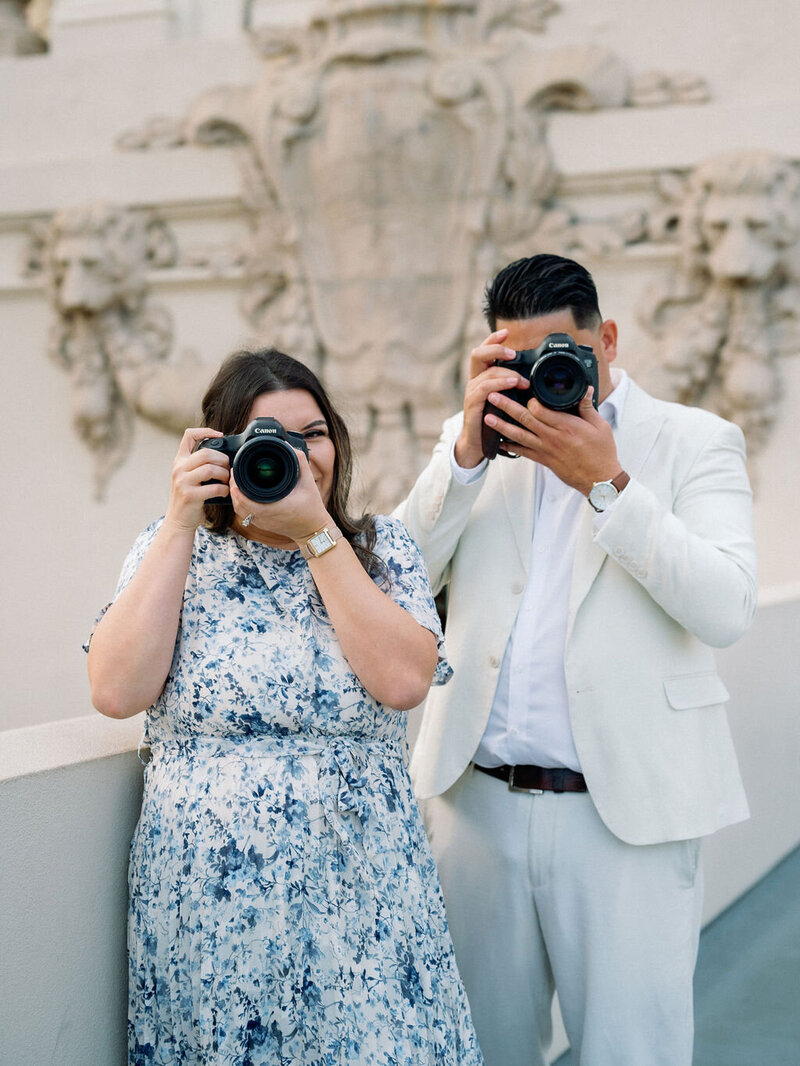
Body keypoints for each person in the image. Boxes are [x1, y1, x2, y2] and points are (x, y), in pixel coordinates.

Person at [395, 254, 758, 1066]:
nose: (544, 376)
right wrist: (464, 456)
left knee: (633, 1052)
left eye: (563, 354)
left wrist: (610, 485)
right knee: (474, 1049)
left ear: (608, 341)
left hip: (627, 819)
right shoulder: (473, 446)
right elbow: (398, 581)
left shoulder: (694, 441)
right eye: (520, 360)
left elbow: (727, 606)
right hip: (475, 807)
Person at [86, 347, 484, 1066]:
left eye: (313, 435)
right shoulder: (169, 548)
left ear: (337, 443)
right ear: (218, 453)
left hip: (363, 895)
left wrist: (314, 532)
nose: (296, 456)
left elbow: (403, 681)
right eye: (268, 439)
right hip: (208, 908)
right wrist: (179, 523)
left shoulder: (381, 549)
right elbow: (116, 691)